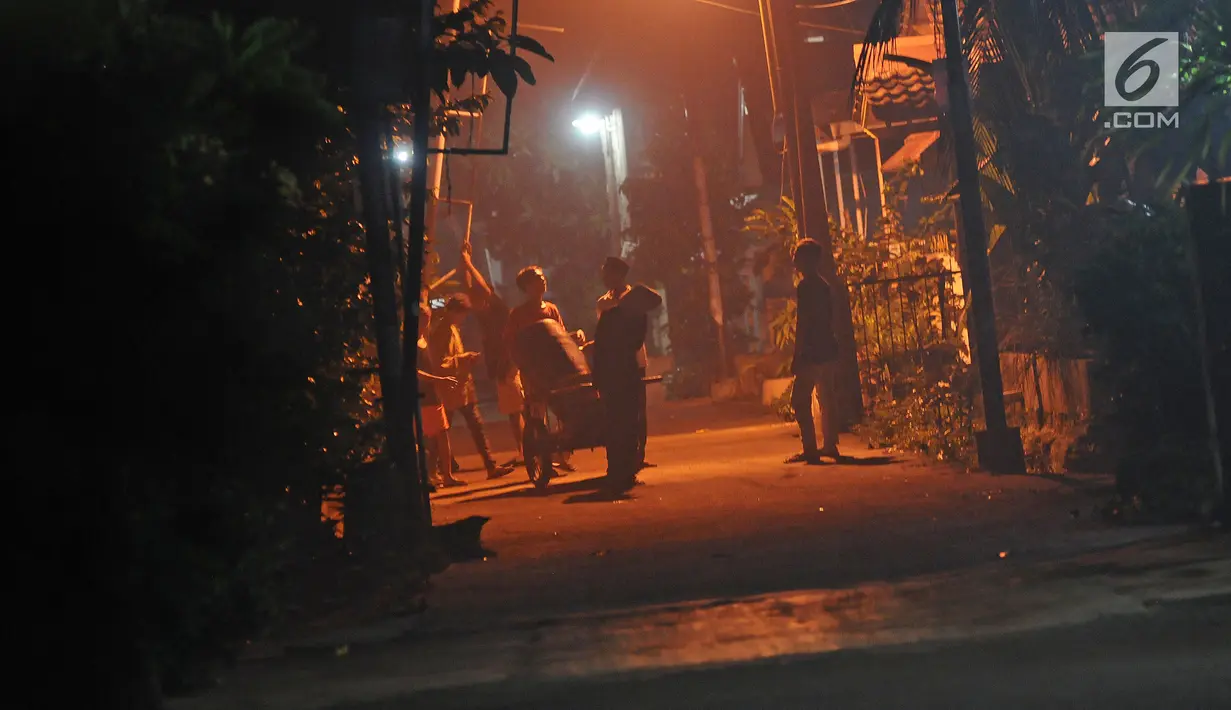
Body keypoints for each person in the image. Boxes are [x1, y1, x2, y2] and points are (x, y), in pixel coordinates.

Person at [429, 294, 513, 480]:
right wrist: (464, 359)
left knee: (474, 427)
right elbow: (439, 362)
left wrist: (464, 359)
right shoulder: (442, 331)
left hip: (460, 388)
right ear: (453, 311)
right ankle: (433, 472)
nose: (463, 318)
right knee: (442, 433)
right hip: (450, 389)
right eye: (462, 314)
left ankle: (489, 466)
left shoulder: (451, 328)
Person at [504, 264, 578, 473]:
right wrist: (521, 366)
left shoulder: (551, 309)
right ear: (526, 287)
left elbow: (561, 338)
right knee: (537, 416)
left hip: (557, 372)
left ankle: (561, 456)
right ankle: (544, 461)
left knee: (561, 412)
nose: (543, 281)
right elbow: (510, 343)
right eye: (537, 279)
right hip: (534, 373)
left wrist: (574, 337)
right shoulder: (518, 315)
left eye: (543, 277)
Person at [458, 243, 524, 467]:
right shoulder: (483, 314)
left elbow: (480, 286)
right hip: (499, 366)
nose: (472, 306)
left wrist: (468, 263)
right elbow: (471, 288)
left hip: (509, 364)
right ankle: (524, 449)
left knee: (517, 411)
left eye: (475, 301)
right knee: (512, 412)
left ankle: (526, 451)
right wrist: (464, 263)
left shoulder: (496, 309)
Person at [594, 277, 661, 492]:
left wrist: (598, 378)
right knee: (626, 424)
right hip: (624, 375)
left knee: (617, 424)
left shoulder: (612, 317)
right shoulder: (636, 319)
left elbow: (600, 349)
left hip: (614, 376)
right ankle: (624, 472)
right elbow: (633, 344)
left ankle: (617, 471)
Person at [785, 238, 841, 464]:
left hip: (811, 351)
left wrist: (799, 353)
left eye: (798, 258)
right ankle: (829, 445)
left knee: (800, 399)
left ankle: (810, 448)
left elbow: (804, 323)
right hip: (827, 348)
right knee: (826, 397)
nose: (795, 263)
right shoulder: (824, 286)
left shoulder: (806, 287)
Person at [416, 305, 465, 488]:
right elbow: (415, 372)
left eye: (427, 320)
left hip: (432, 394)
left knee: (442, 435)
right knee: (427, 439)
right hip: (422, 396)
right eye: (422, 320)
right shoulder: (410, 342)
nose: (425, 324)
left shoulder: (423, 338)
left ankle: (446, 476)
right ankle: (428, 477)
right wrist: (439, 379)